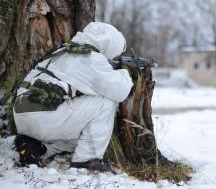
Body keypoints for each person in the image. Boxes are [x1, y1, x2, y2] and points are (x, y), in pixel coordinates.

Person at [13, 22, 133, 172]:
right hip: (44, 119)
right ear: (108, 44)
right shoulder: (90, 58)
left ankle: (37, 148)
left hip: (22, 117)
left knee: (84, 130)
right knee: (106, 102)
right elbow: (120, 91)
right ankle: (86, 160)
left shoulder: (61, 51)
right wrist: (125, 71)